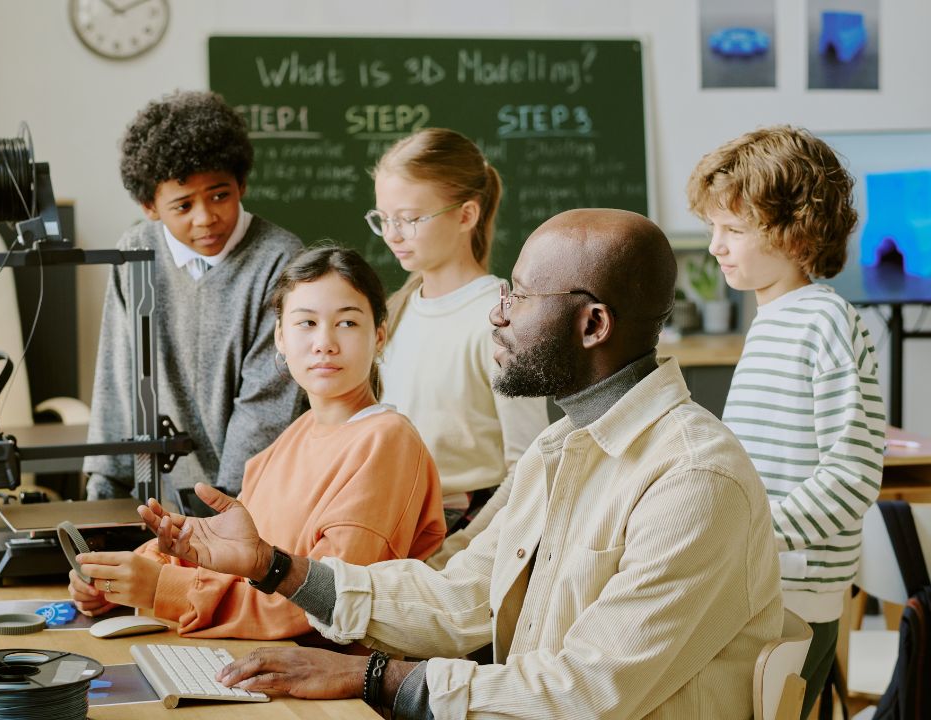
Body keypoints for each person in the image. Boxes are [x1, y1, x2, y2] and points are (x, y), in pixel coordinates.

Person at [137, 209, 784, 719]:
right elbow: (460, 595)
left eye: (522, 296)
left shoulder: (695, 481)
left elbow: (589, 691)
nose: (497, 314)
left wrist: (375, 678)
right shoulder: (557, 451)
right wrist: (276, 567)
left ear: (592, 325)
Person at [70, 247, 445, 640]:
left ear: (380, 336)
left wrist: (161, 588)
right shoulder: (292, 438)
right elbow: (233, 562)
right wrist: (125, 575)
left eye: (347, 323)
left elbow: (323, 603)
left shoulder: (387, 442)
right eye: (306, 323)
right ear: (280, 338)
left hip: (324, 680)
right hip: (251, 659)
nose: (325, 343)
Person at [688, 125, 886, 717]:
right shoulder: (775, 318)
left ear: (798, 236)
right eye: (713, 230)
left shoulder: (824, 320)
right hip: (765, 577)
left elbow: (852, 474)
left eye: (734, 231)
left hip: (797, 583)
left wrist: (756, 536)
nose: (715, 247)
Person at [84, 90, 304, 509]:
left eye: (220, 195)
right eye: (183, 205)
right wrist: (104, 491)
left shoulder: (280, 259)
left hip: (253, 504)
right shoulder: (135, 253)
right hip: (159, 505)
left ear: (241, 183)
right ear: (149, 205)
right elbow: (116, 376)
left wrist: (223, 510)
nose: (205, 218)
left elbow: (267, 403)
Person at [369, 128, 548, 535]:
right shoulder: (396, 312)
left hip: (465, 532)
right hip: (396, 521)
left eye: (410, 219)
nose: (393, 235)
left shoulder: (501, 320)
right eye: (384, 219)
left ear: (466, 214)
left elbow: (530, 465)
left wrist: (465, 549)